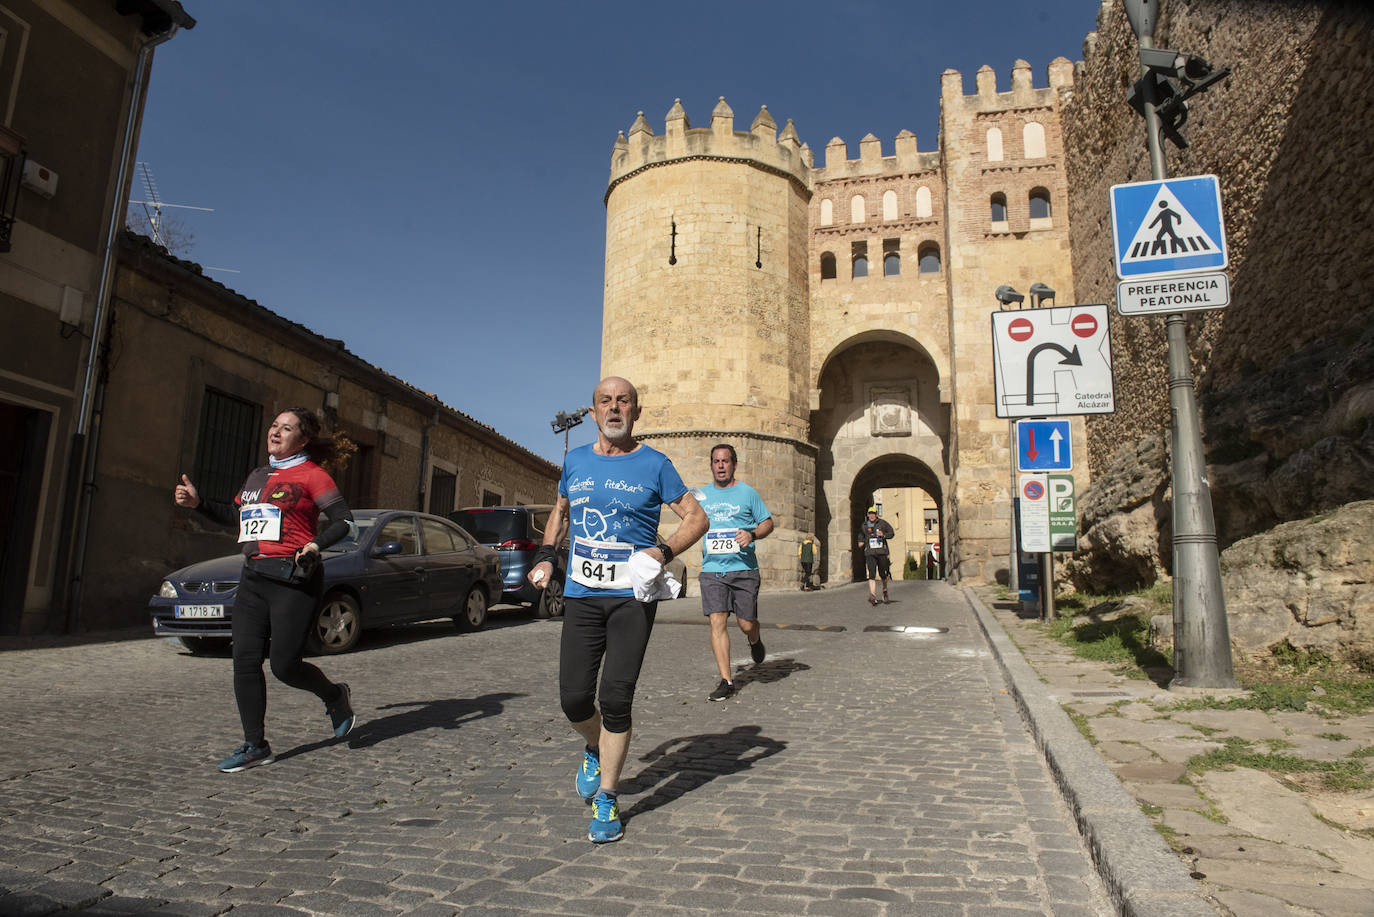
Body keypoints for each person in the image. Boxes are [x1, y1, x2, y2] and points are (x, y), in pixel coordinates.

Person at [527, 377, 707, 844]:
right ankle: (593, 745)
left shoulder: (655, 464)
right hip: (582, 596)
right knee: (573, 699)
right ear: (592, 413)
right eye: (605, 401)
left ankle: (608, 797)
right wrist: (548, 555)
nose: (614, 408)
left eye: (623, 401)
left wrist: (663, 553)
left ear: (636, 412)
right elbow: (560, 511)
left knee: (616, 698)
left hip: (632, 599)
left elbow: (697, 517)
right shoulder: (575, 460)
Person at [173, 407, 358, 773]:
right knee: (243, 660)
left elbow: (344, 522)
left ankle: (335, 695)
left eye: (286, 428)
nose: (275, 431)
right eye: (274, 425)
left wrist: (316, 546)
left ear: (302, 440)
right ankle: (255, 744)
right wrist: (199, 504)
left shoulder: (313, 475)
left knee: (285, 666)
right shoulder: (259, 475)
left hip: (294, 578)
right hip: (255, 576)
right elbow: (238, 517)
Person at [696, 443, 773, 702]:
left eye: (725, 461)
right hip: (712, 570)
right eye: (716, 461)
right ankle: (726, 681)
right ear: (711, 466)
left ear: (734, 465)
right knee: (717, 622)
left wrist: (752, 534)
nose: (720, 465)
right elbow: (690, 522)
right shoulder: (701, 496)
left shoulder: (747, 493)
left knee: (745, 623)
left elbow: (767, 523)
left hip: (744, 569)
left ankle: (754, 637)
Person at [858, 506, 895, 606]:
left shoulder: (882, 523)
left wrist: (883, 535)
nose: (872, 515)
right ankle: (873, 596)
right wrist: (860, 542)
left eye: (873, 513)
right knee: (872, 574)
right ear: (867, 514)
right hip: (870, 553)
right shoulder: (864, 525)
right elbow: (861, 535)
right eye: (870, 513)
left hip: (881, 552)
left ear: (876, 514)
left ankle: (885, 590)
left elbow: (891, 533)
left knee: (883, 574)